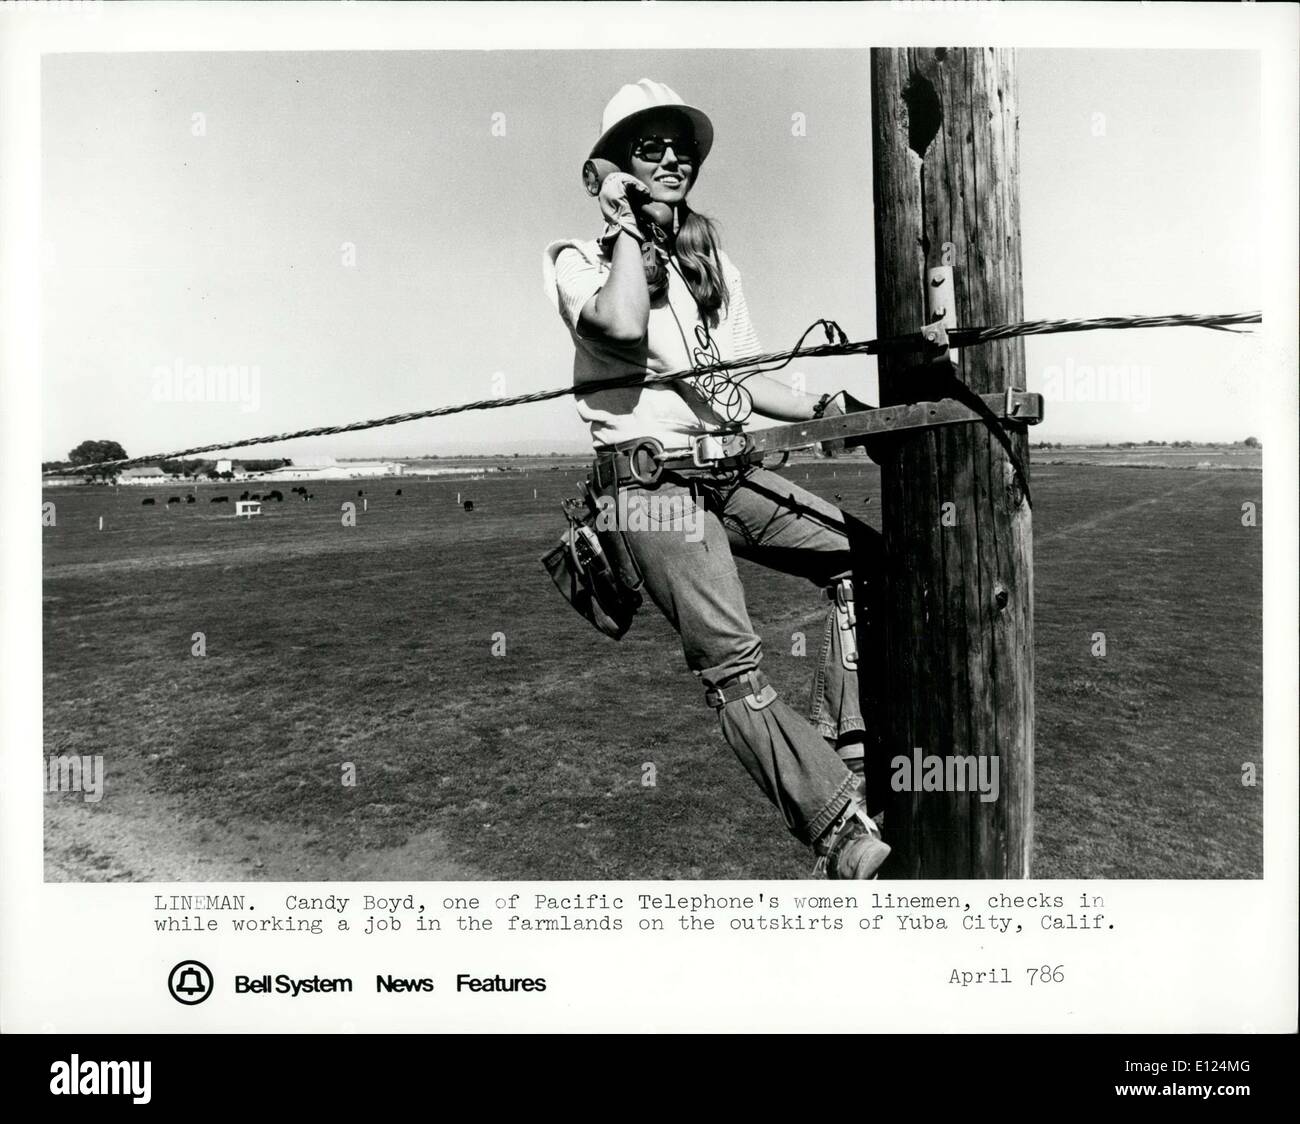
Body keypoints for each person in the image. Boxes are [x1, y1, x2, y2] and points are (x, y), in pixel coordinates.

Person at [543, 79, 889, 879]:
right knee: (734, 664)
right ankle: (838, 833)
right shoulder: (578, 260)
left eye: (680, 146)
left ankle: (848, 750)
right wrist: (624, 225)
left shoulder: (712, 261)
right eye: (647, 146)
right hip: (651, 486)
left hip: (727, 467)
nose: (671, 158)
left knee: (862, 560)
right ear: (614, 166)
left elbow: (746, 379)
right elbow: (624, 327)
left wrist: (829, 410)